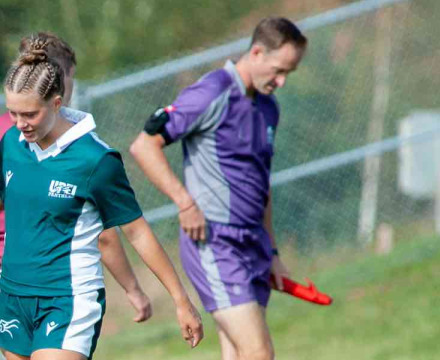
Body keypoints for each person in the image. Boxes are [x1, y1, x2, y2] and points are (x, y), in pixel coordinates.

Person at [0, 34, 203, 360]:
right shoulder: (12, 142)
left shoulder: (95, 159)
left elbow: (136, 232)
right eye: (13, 113)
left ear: (56, 102)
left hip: (67, 299)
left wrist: (181, 300)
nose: (19, 124)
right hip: (13, 297)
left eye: (30, 114)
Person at [127, 17, 307, 360]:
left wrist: (273, 253)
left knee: (238, 354)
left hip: (252, 243)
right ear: (256, 52)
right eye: (279, 70)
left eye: (289, 73)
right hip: (215, 243)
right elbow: (144, 145)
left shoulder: (268, 107)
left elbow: (261, 183)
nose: (282, 81)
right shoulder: (211, 92)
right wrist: (185, 202)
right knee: (258, 352)